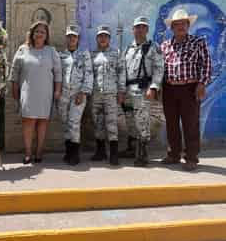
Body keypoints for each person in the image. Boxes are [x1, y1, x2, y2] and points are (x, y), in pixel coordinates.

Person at [160, 9, 211, 171]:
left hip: (190, 88)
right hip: (169, 88)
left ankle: (191, 157)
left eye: (183, 23)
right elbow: (160, 68)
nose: (180, 26)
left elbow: (206, 64)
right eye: (177, 24)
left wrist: (202, 84)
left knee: (190, 124)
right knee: (171, 123)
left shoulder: (198, 42)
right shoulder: (165, 46)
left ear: (188, 25)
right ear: (172, 28)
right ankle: (173, 154)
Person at [10, 21, 62, 164]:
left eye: (43, 32)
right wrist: (14, 89)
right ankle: (28, 153)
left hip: (46, 92)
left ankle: (39, 152)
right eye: (37, 31)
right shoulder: (23, 49)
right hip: (28, 92)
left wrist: (57, 90)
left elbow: (58, 73)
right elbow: (14, 72)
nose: (39, 34)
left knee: (42, 122)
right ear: (32, 33)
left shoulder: (51, 51)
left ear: (46, 36)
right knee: (28, 121)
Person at [119, 16, 164, 166]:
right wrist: (121, 90)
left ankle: (143, 153)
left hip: (143, 90)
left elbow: (159, 69)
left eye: (143, 27)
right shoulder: (127, 49)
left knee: (142, 121)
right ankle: (131, 148)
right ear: (133, 30)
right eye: (137, 27)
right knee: (130, 120)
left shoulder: (153, 47)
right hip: (128, 89)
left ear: (147, 30)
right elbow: (122, 71)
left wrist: (154, 87)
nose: (140, 30)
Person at [90, 25, 126, 165]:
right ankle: (100, 152)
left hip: (111, 94)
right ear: (97, 38)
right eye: (100, 36)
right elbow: (89, 74)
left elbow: (122, 73)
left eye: (105, 36)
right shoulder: (92, 55)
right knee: (97, 123)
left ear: (109, 38)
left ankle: (114, 154)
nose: (103, 38)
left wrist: (121, 91)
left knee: (112, 123)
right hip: (96, 94)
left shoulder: (116, 53)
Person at [58, 24, 93, 165]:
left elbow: (89, 75)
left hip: (78, 94)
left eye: (74, 36)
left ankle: (75, 153)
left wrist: (83, 92)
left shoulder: (84, 55)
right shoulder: (61, 56)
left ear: (78, 39)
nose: (72, 38)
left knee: (74, 122)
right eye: (69, 36)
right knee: (65, 123)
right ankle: (68, 151)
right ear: (66, 38)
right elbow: (56, 75)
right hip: (63, 95)